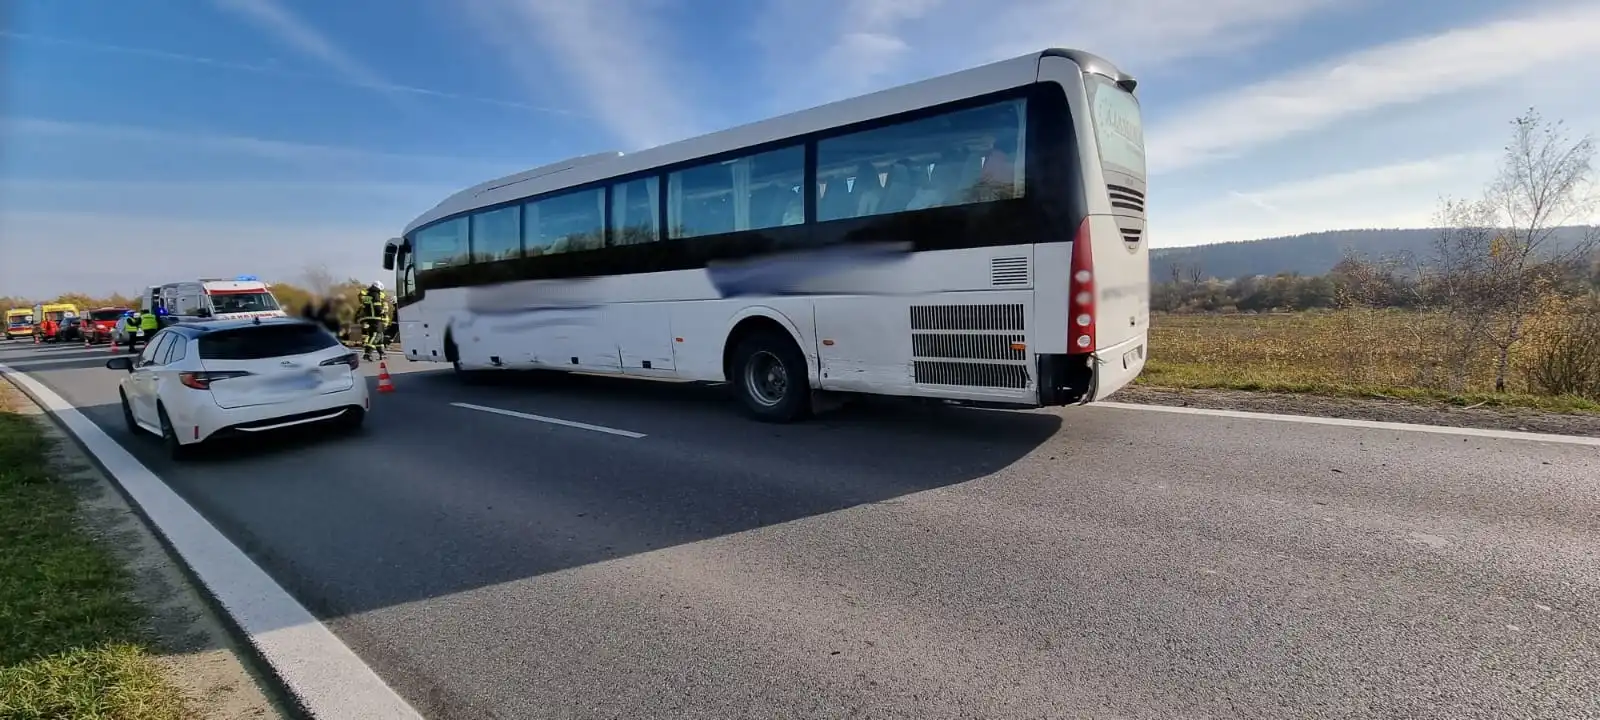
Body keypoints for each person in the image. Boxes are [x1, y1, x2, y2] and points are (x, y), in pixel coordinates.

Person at [358, 281, 389, 361]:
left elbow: (365, 306)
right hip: (376, 318)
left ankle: (382, 353)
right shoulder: (375, 294)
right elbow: (377, 306)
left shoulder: (368, 295)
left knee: (380, 336)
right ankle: (368, 353)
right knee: (376, 335)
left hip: (370, 317)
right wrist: (382, 311)